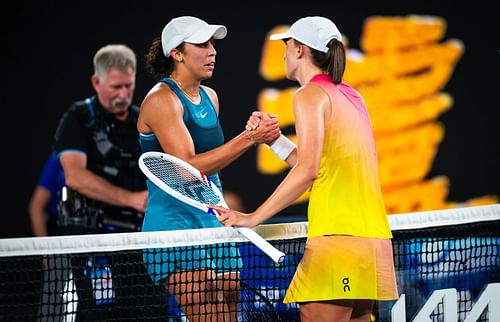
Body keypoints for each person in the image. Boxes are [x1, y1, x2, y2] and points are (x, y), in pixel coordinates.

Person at [211, 16, 399, 321]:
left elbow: (308, 170)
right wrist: (276, 141)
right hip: (372, 241)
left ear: (300, 50)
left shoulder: (309, 95)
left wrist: (253, 217)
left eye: (287, 46)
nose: (283, 54)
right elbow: (324, 164)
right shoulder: (352, 96)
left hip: (338, 241)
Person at [137, 16, 281, 321]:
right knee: (208, 312)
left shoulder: (210, 97)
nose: (213, 51)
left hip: (213, 218)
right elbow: (187, 166)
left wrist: (250, 133)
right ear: (176, 53)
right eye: (202, 44)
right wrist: (249, 138)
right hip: (173, 225)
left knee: (229, 303)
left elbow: (213, 162)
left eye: (212, 43)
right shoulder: (161, 101)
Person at [52, 44, 154, 321]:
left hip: (138, 243)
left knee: (147, 314)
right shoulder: (78, 118)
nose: (123, 95)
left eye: (128, 86)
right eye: (116, 87)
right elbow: (75, 176)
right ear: (97, 82)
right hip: (92, 244)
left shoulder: (142, 119)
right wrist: (131, 199)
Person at [29, 153, 65, 237]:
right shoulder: (56, 160)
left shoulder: (95, 160)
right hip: (60, 228)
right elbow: (36, 208)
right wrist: (44, 247)